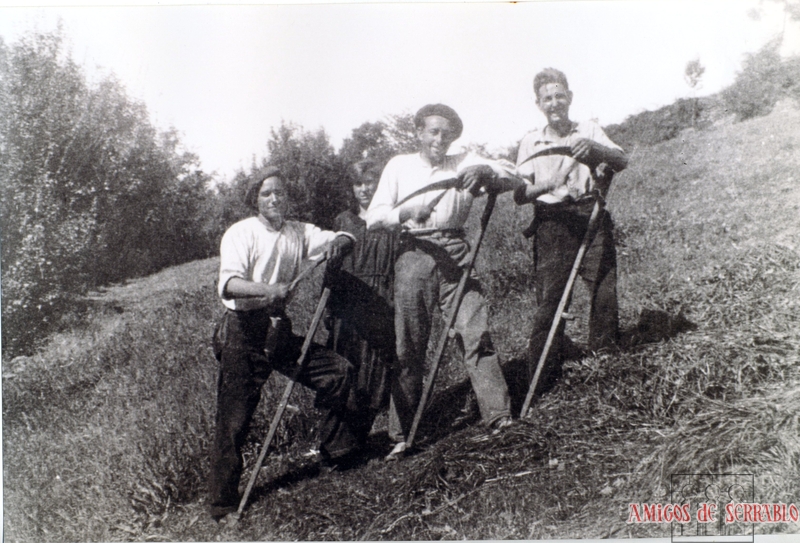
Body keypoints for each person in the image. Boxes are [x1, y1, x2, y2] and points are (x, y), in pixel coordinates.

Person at [366, 104, 519, 458]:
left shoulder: (463, 160)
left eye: (446, 133)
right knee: (409, 345)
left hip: (456, 251)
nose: (439, 139)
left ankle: (499, 416)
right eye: (433, 131)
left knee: (474, 331)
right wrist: (405, 212)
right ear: (418, 132)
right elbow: (374, 216)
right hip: (414, 253)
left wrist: (485, 170)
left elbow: (512, 175)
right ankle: (402, 434)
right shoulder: (399, 165)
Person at [209, 167, 359, 520]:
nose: (275, 199)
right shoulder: (241, 233)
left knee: (338, 372)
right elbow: (229, 285)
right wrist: (268, 290)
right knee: (234, 420)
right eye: (266, 193)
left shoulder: (298, 231)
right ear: (255, 199)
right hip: (242, 332)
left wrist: (340, 243)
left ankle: (336, 454)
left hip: (277, 328)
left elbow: (343, 236)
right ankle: (222, 503)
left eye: (280, 192)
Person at [514, 68, 629, 400]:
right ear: (539, 104)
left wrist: (595, 149)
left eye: (559, 96)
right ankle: (543, 378)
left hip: (590, 213)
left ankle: (605, 360)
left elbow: (621, 159)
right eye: (547, 98)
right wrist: (546, 185)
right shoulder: (531, 141)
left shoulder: (588, 129)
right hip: (552, 221)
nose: (555, 103)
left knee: (603, 288)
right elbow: (520, 194)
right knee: (550, 298)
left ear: (570, 98)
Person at [322, 158, 397, 453]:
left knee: (375, 370)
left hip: (380, 300)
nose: (364, 189)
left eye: (369, 182)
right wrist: (328, 305)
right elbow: (332, 266)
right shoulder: (343, 220)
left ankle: (358, 440)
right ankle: (334, 445)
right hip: (349, 303)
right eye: (358, 183)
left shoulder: (389, 218)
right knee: (344, 370)